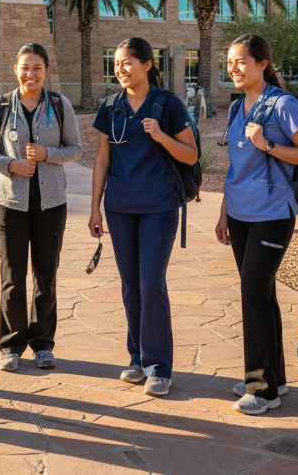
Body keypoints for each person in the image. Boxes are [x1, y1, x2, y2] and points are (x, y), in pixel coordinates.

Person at [215, 34, 298, 415]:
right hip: (241, 213)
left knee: (253, 294)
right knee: (263, 295)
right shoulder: (235, 107)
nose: (234, 68)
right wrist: (224, 211)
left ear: (262, 63)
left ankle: (261, 389)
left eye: (241, 60)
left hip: (273, 215)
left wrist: (268, 145)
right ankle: (274, 376)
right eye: (229, 61)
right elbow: (235, 166)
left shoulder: (283, 104)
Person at [88, 36, 198, 397]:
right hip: (119, 205)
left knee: (152, 282)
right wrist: (94, 207)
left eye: (127, 63)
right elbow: (102, 160)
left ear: (147, 65)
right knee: (130, 284)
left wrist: (161, 136)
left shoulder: (168, 105)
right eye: (116, 63)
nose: (120, 69)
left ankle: (158, 367)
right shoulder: (110, 106)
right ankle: (136, 358)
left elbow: (190, 155)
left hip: (158, 206)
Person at [0, 43, 82, 372]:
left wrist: (48, 155)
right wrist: (11, 165)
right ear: (15, 70)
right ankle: (11, 345)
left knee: (45, 276)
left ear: (46, 71)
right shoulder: (1, 105)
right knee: (12, 277)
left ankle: (43, 344)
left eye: (37, 68)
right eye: (24, 67)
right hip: (9, 204)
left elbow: (75, 148)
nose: (30, 74)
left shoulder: (60, 105)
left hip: (51, 204)